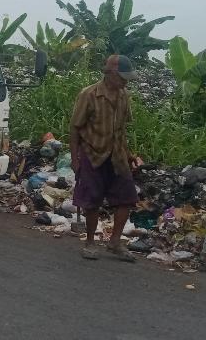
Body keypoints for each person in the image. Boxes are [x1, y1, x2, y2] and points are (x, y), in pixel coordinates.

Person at [69, 54, 139, 262]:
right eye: (122, 77)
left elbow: (122, 129)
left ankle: (115, 242)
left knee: (127, 198)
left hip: (116, 155)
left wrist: (128, 154)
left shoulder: (123, 95)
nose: (125, 82)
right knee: (92, 201)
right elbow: (75, 128)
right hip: (93, 154)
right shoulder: (89, 95)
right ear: (110, 73)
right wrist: (75, 159)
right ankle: (90, 242)